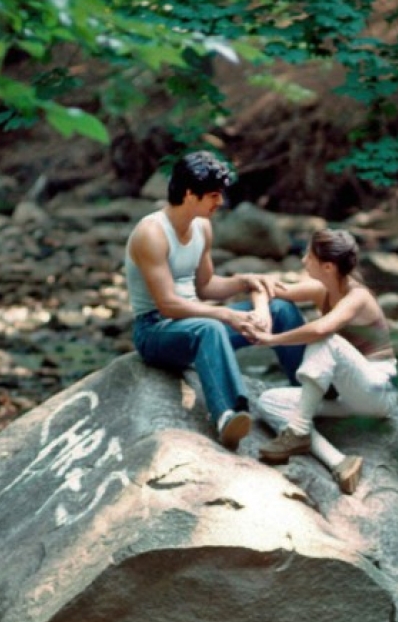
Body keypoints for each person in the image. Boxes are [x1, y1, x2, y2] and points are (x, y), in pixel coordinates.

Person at [125, 151, 306, 450]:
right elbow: (168, 304)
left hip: (196, 323)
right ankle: (228, 415)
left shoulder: (201, 227)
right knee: (210, 328)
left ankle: (311, 396)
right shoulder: (151, 233)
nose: (220, 202)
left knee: (280, 310)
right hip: (156, 331)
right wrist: (227, 315)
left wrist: (244, 281)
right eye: (213, 195)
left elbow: (206, 286)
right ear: (189, 194)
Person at [241, 227, 398, 495]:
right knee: (269, 401)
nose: (303, 260)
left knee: (325, 338)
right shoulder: (321, 290)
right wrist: (261, 310)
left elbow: (321, 330)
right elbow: (264, 287)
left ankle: (298, 430)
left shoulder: (358, 297)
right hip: (347, 396)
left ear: (327, 266)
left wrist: (271, 339)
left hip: (377, 390)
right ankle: (338, 461)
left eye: (309, 256)